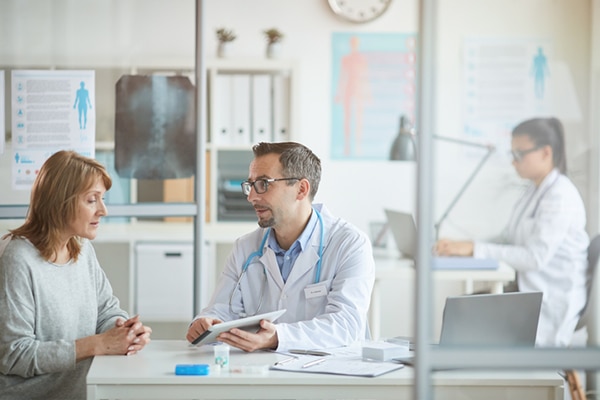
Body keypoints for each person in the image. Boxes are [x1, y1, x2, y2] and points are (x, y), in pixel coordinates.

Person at [186, 142, 375, 352]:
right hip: (264, 373)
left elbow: (346, 325)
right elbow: (221, 310)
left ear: (301, 189)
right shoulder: (245, 248)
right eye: (251, 185)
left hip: (329, 375)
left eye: (264, 184)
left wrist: (277, 337)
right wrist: (206, 322)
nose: (251, 197)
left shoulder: (349, 244)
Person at [0, 150, 152, 399]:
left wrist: (123, 331)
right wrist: (99, 344)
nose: (103, 210)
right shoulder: (17, 258)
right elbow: (14, 355)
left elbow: (106, 310)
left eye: (102, 199)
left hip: (81, 392)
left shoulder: (81, 248)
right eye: (92, 200)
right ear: (61, 201)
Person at [435, 117, 589, 347]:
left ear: (546, 153)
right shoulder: (534, 191)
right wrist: (464, 246)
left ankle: (485, 379)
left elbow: (534, 258)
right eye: (512, 155)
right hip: (527, 288)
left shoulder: (560, 196)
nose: (513, 162)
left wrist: (475, 249)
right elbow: (509, 238)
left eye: (519, 154)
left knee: (463, 314)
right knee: (459, 307)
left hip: (548, 299)